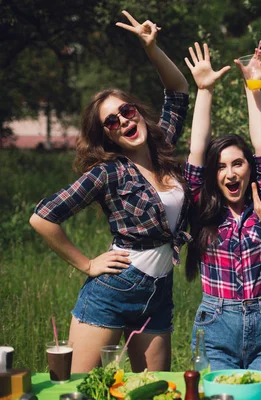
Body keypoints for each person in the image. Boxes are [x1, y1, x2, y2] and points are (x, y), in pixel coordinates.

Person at [29, 10, 189, 372]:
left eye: (126, 111)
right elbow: (42, 218)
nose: (124, 122)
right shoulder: (108, 173)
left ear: (137, 111)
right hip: (113, 291)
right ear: (108, 135)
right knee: (75, 390)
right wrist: (86, 263)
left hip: (159, 294)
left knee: (151, 393)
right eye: (111, 122)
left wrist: (152, 49)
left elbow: (178, 91)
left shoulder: (162, 147)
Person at [183, 43, 261, 370]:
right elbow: (196, 149)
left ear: (249, 168)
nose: (230, 173)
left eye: (237, 164)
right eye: (221, 167)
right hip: (215, 325)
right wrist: (204, 90)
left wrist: (254, 86)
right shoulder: (202, 206)